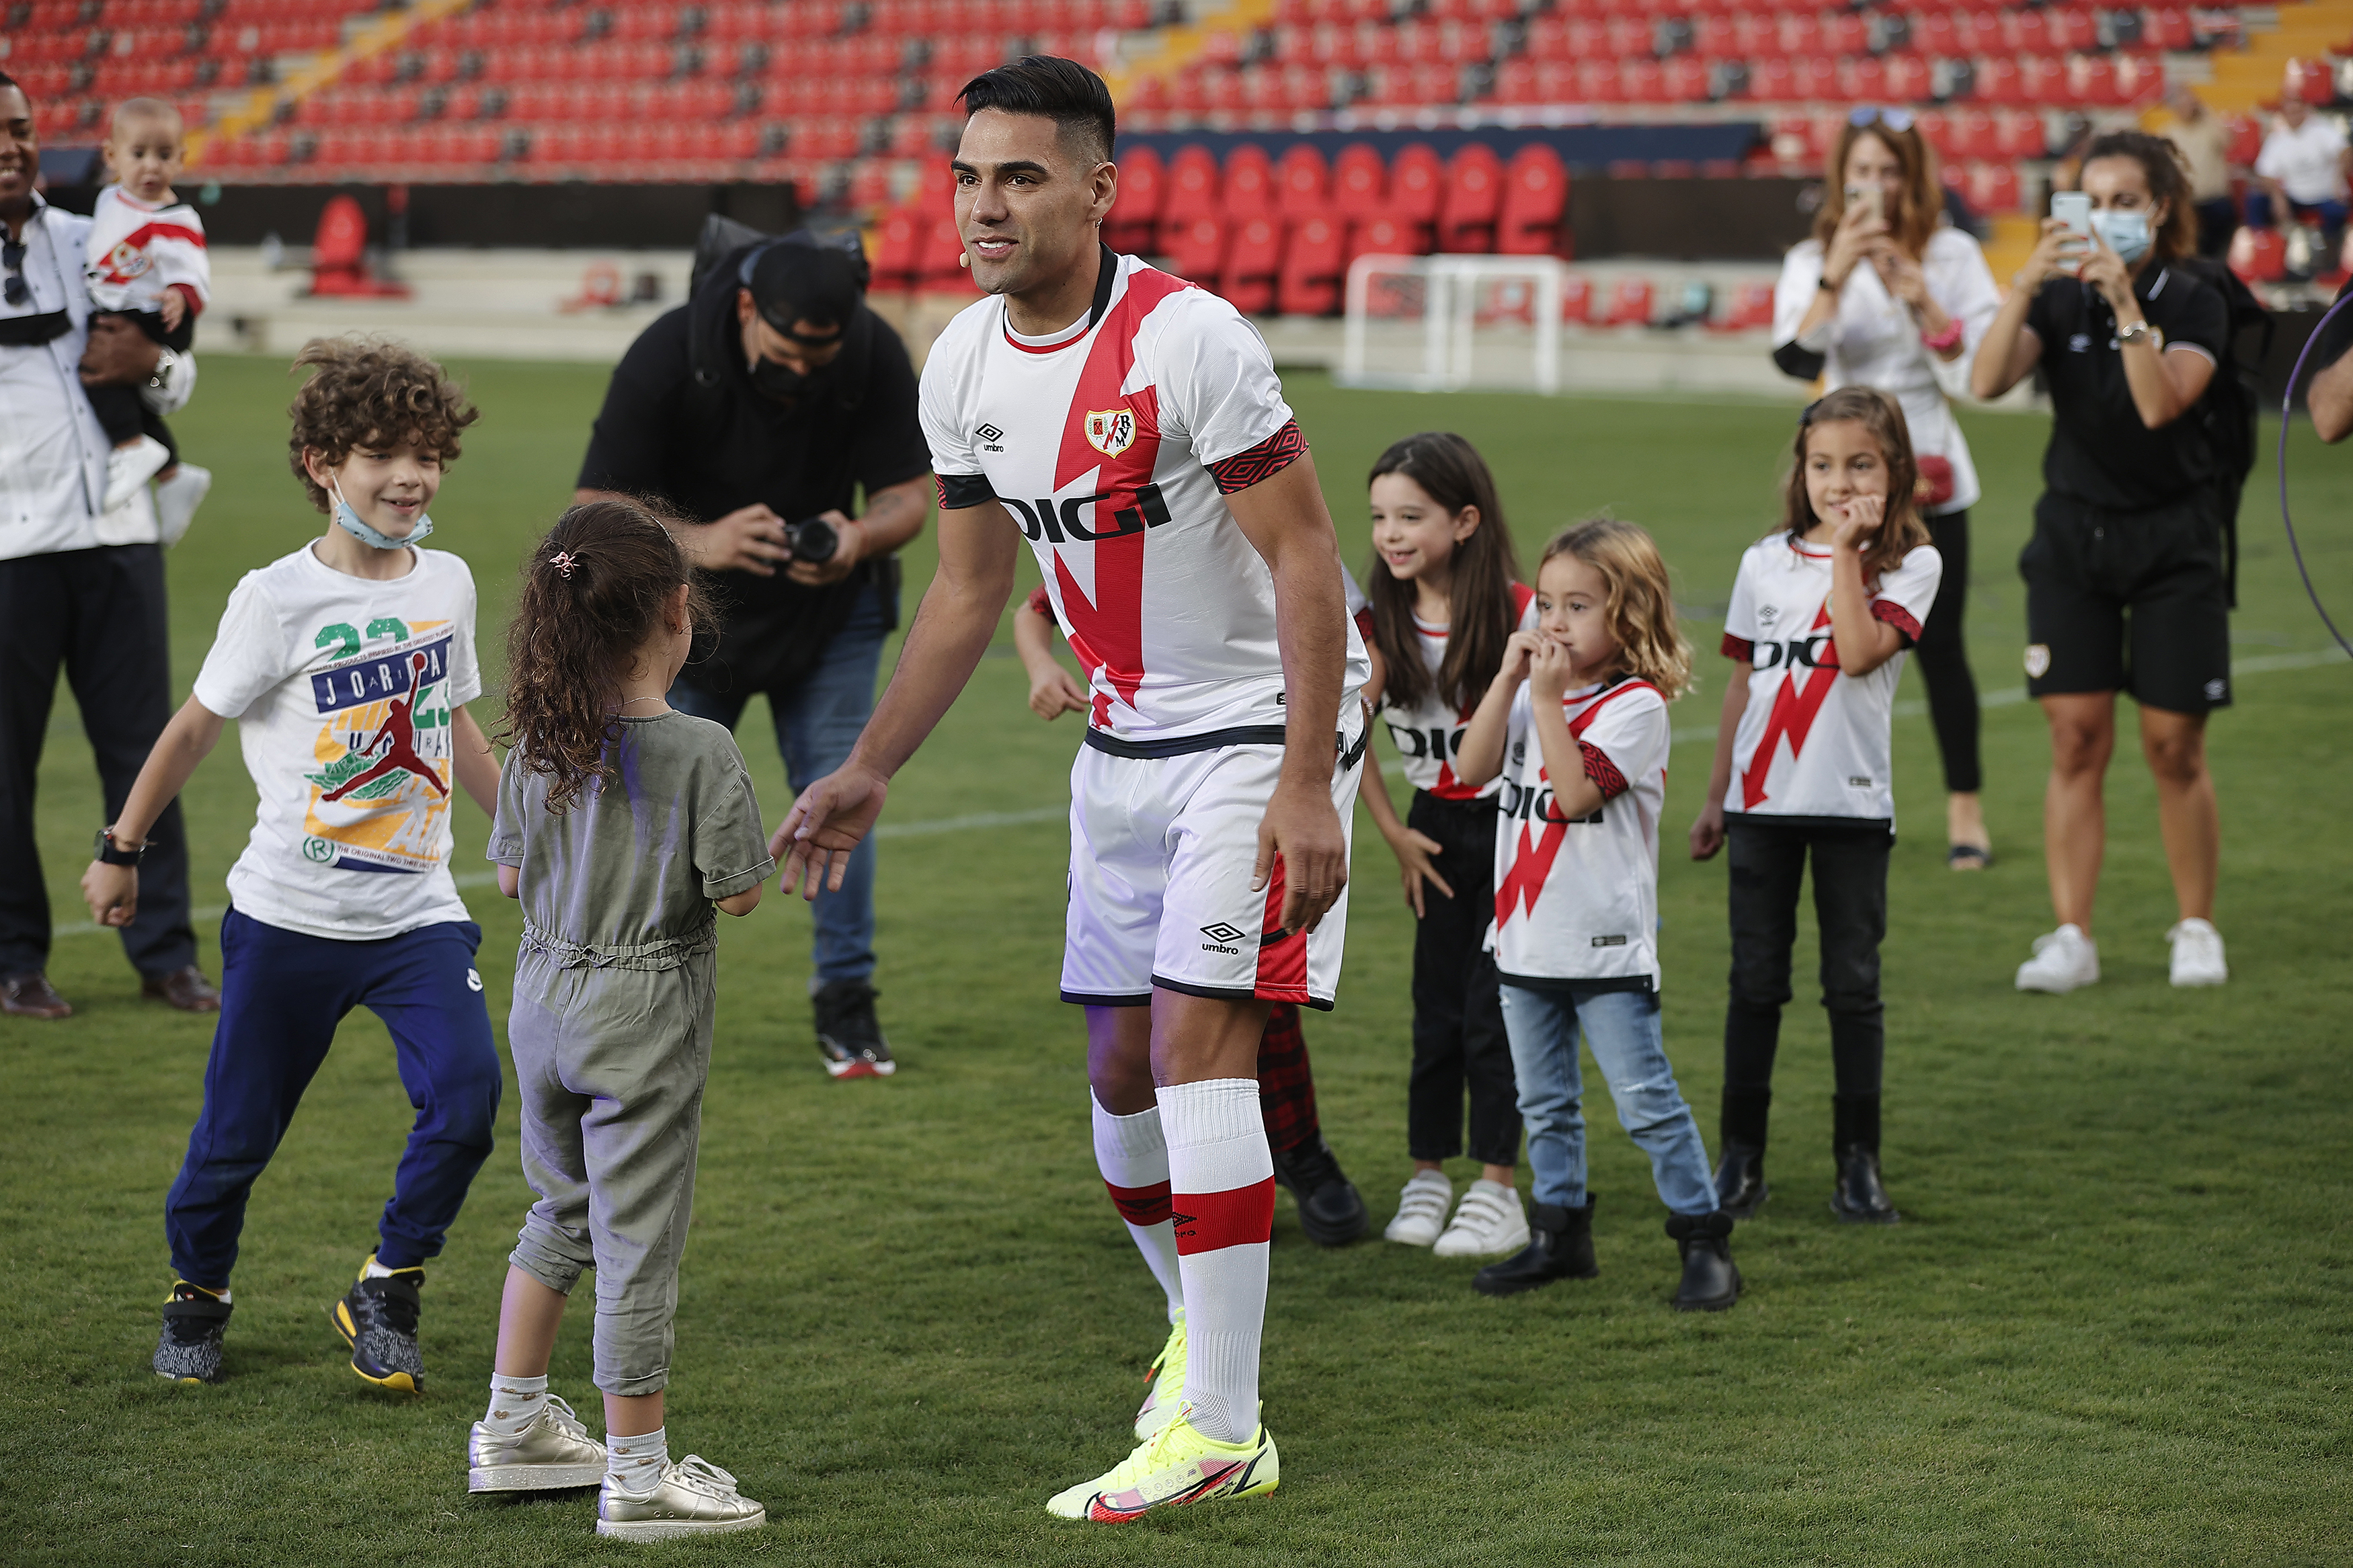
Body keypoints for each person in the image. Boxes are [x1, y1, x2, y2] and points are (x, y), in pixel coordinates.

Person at [774, 57, 1365, 1520]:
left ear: (1098, 188)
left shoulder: (1191, 339)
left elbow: (1305, 557)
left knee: (1193, 1046)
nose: (984, 204)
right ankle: (1195, 1341)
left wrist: (1307, 780)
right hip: (1123, 743)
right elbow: (970, 592)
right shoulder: (962, 361)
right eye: (969, 174)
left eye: (1021, 175)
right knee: (1115, 1071)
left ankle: (1221, 1422)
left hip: (1251, 729)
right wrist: (866, 765)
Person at [79, 337, 504, 1389]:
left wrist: (526, 834)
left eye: (429, 455)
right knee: (233, 1140)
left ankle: (389, 1284)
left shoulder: (446, 584)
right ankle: (199, 1291)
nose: (413, 477)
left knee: (468, 1102)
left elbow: (453, 727)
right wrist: (119, 850)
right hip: (285, 919)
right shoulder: (274, 598)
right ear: (322, 463)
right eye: (384, 455)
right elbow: (189, 732)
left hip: (418, 916)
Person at [471, 503, 774, 1541]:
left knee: (558, 1209)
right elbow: (737, 893)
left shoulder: (538, 741)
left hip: (543, 1002)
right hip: (641, 1017)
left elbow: (510, 878)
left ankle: (512, 1427)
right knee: (638, 1243)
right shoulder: (700, 749)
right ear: (678, 614)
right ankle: (639, 1478)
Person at [575, 225, 932, 1080]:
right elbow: (593, 506)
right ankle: (636, 999)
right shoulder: (668, 350)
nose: (807, 368)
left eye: (824, 353)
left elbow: (906, 496)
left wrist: (857, 534)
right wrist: (703, 541)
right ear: (745, 308)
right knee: (660, 810)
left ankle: (846, 1000)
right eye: (790, 350)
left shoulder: (872, 349)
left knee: (841, 799)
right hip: (688, 619)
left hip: (833, 615)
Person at [1014, 583, 1369, 1255]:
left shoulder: (1258, 522)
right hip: (1127, 782)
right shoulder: (1102, 517)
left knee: (1226, 1027)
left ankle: (1299, 1152)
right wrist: (1039, 664)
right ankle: (1184, 1271)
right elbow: (1028, 604)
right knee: (1129, 1054)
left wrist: (1319, 756)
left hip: (1247, 763)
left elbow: (1346, 635)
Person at [1972, 131, 2235, 994]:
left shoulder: (2195, 297)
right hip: (2072, 538)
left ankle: (2194, 924)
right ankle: (2070, 935)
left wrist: (2124, 302)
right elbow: (1981, 382)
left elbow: (2161, 407)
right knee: (2074, 738)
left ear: (2159, 208)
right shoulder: (2053, 301)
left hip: (2174, 541)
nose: (2109, 217)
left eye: (2127, 201)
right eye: (2093, 201)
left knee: (2173, 747)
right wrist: (2023, 280)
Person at [1449, 519, 1734, 1309]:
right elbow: (1468, 769)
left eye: (1577, 606)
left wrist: (1541, 699)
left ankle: (1702, 1234)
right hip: (1522, 939)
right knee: (1541, 1101)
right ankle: (1559, 1232)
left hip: (1604, 945)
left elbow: (1573, 796)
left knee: (1645, 1101)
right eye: (1545, 603)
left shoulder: (1634, 705)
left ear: (1629, 614)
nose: (1553, 621)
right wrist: (1508, 683)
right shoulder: (1531, 692)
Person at [1689, 387, 1943, 1227]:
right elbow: (1739, 682)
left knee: (1853, 987)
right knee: (1754, 984)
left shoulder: (1911, 564)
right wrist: (1718, 793)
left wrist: (1844, 553)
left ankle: (1856, 1167)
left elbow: (1861, 651)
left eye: (1859, 463)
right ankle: (1740, 1161)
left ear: (1894, 469)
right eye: (1822, 464)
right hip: (1760, 807)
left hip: (1850, 808)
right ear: (1800, 470)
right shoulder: (1763, 560)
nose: (1838, 480)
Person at [1, 70, 213, 1022]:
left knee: (144, 747)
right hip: (10, 551)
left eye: (22, 128)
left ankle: (166, 953)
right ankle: (15, 960)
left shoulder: (98, 230)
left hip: (123, 534)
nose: (11, 146)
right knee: (6, 761)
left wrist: (156, 365)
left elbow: (180, 376)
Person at [1771, 106, 1999, 870]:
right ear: (1841, 179)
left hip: (1929, 466)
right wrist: (1837, 272)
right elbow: (1794, 361)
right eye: (1861, 172)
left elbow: (1974, 372)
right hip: (1836, 472)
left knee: (1938, 649)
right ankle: (1830, 802)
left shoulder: (1952, 253)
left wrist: (1918, 294)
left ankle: (1965, 809)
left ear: (1912, 180)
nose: (1874, 188)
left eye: (1888, 172)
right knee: (1828, 641)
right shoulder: (1812, 258)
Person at [1351, 433, 1536, 1260]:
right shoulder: (1378, 618)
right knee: (1435, 1014)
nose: (1390, 534)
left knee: (1494, 1014)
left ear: (1464, 521)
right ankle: (1427, 1174)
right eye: (1379, 517)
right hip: (1432, 825)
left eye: (1410, 516)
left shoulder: (1521, 610)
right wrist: (1394, 832)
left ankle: (1497, 1187)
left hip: (1515, 823)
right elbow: (1342, 730)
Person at [83, 97, 212, 539]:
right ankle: (174, 476)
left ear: (181, 159)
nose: (150, 168)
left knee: (96, 372)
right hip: (125, 306)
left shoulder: (173, 217)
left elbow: (193, 270)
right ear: (111, 156)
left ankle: (132, 446)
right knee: (129, 398)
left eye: (163, 155)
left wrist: (181, 295)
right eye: (138, 155)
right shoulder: (109, 200)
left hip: (156, 315)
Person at [2251, 96, 2350, 264]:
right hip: (2295, 195)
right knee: (2256, 200)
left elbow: (2346, 153)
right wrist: (2278, 196)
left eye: (2298, 112)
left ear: (2305, 112)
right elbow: (2264, 172)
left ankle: (2332, 255)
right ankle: (2263, 251)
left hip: (2326, 193)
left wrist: (2339, 178)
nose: (2294, 117)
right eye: (2289, 113)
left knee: (2337, 211)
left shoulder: (2322, 131)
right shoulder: (2277, 139)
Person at [2155, 84, 2241, 259]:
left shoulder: (2209, 128)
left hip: (2213, 197)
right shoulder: (2168, 133)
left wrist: (2207, 113)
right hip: (2186, 199)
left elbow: (2229, 140)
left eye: (2190, 103)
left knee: (2224, 218)